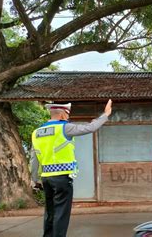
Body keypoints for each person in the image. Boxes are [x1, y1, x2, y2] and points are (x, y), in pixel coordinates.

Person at [31, 100, 112, 237]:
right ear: (63, 114)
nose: (68, 117)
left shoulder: (36, 132)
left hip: (46, 178)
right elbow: (90, 128)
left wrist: (34, 179)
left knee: (50, 212)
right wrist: (105, 114)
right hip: (62, 177)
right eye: (68, 114)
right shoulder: (64, 128)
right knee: (61, 213)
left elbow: (34, 159)